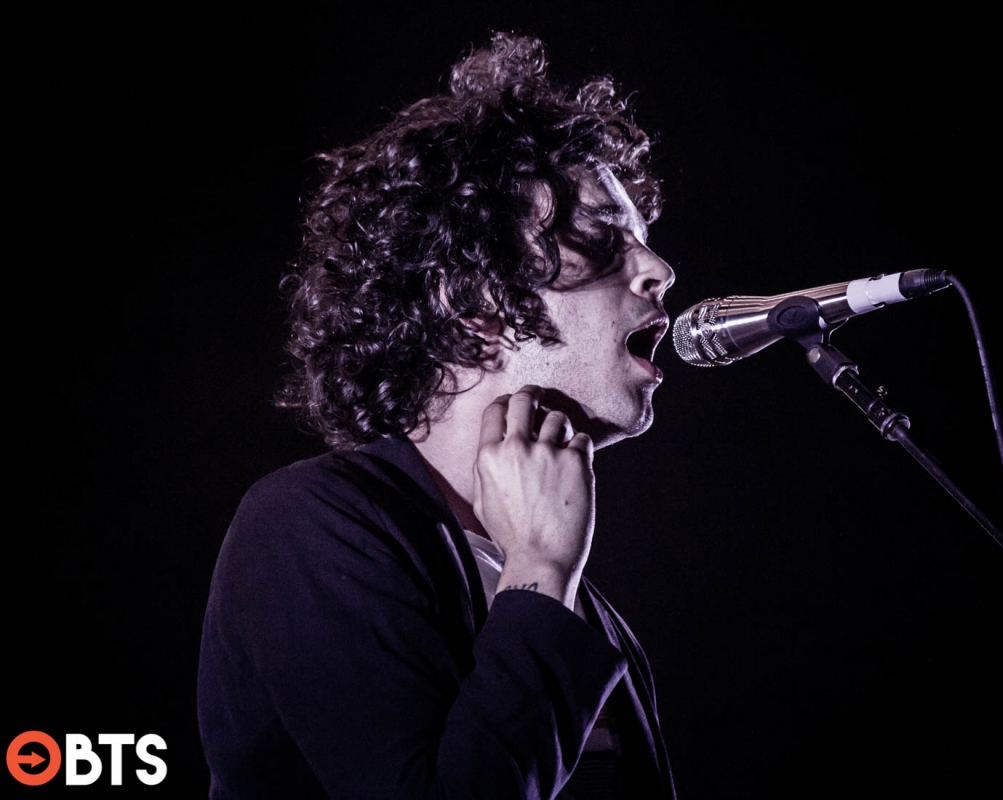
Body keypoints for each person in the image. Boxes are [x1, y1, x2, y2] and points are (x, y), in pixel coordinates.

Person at [197, 31, 678, 799]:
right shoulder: (308, 524)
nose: (659, 270)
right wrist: (540, 572)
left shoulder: (590, 610)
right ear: (473, 300)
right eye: (599, 236)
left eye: (643, 244)